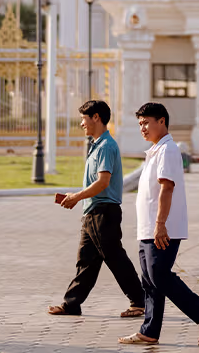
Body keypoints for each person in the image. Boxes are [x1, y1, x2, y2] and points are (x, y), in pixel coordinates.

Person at [120, 102, 199, 346]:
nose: (142, 128)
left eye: (146, 122)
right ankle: (149, 331)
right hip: (148, 228)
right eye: (140, 123)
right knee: (150, 281)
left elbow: (167, 187)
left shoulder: (168, 150)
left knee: (160, 276)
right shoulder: (155, 150)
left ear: (161, 121)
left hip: (163, 228)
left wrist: (160, 223)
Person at [49, 99, 146, 320]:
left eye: (84, 119)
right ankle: (72, 304)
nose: (82, 124)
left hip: (104, 212)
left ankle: (139, 301)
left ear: (96, 118)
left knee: (115, 258)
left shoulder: (106, 146)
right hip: (93, 211)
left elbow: (103, 182)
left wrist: (76, 197)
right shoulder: (96, 146)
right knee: (86, 260)